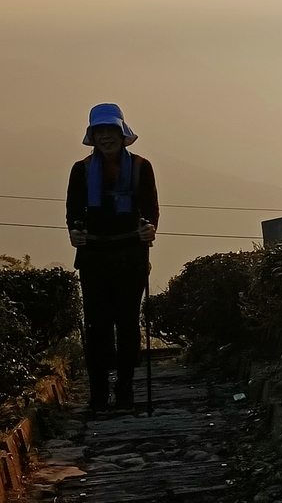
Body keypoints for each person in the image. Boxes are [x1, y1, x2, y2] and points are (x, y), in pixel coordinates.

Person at [66, 104, 158, 413]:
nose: (106, 138)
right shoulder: (80, 170)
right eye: (100, 132)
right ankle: (98, 392)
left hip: (130, 255)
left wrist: (149, 228)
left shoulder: (142, 168)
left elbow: (150, 209)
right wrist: (74, 232)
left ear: (122, 134)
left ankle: (124, 388)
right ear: (92, 137)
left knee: (128, 323)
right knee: (97, 326)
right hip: (94, 256)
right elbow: (74, 213)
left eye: (111, 131)